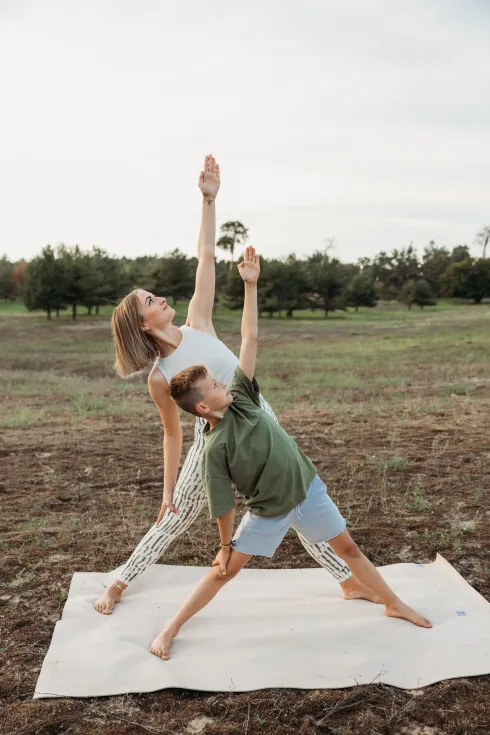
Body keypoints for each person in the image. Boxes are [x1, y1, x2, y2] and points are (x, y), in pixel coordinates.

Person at [94, 155, 376, 615]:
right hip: (216, 439)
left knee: (293, 492)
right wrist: (167, 491)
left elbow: (205, 255)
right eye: (151, 300)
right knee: (178, 514)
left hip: (258, 414)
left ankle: (347, 580)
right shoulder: (160, 378)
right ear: (143, 324)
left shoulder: (198, 323)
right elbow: (173, 433)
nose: (161, 298)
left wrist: (208, 199)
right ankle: (120, 583)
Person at [149, 246, 432, 660]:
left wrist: (251, 287)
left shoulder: (242, 397)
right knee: (221, 573)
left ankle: (393, 602)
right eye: (214, 384)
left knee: (349, 548)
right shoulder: (214, 447)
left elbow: (250, 337)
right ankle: (171, 628)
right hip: (269, 511)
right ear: (205, 407)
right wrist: (226, 545)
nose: (223, 381)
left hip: (308, 489)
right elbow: (223, 504)